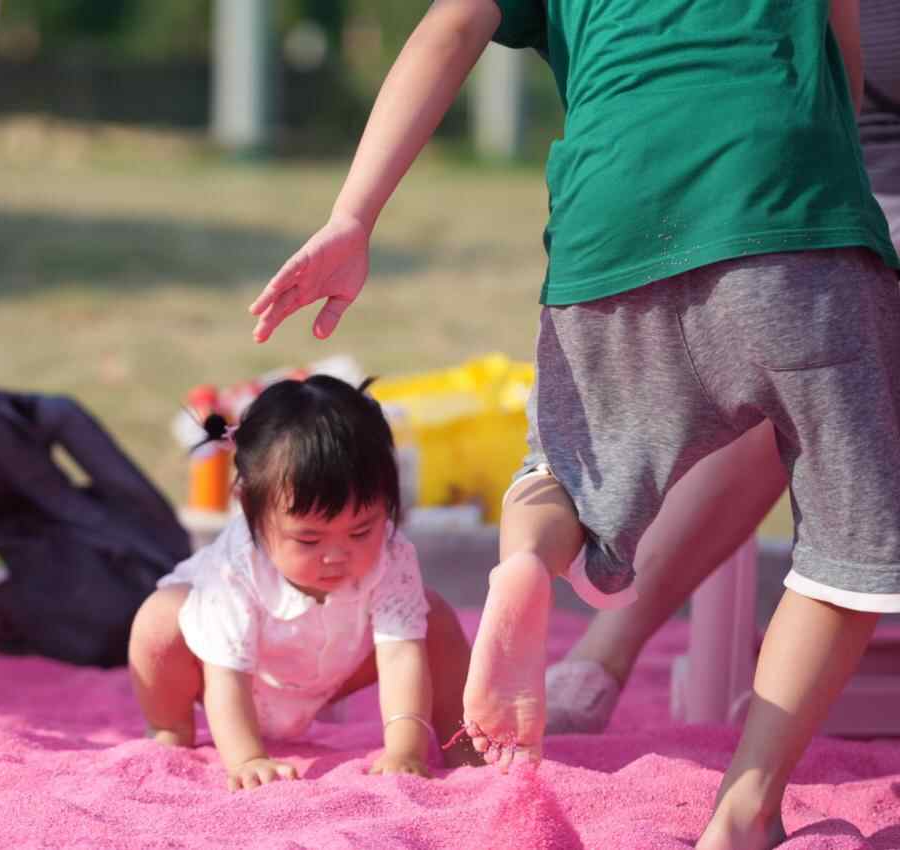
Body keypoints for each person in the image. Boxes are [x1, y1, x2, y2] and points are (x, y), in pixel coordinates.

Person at [249, 1, 900, 847]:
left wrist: (352, 217)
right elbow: (843, 45)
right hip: (794, 216)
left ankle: (527, 560)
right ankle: (745, 811)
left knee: (559, 472)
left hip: (609, 227)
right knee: (852, 554)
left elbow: (448, 29)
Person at [545, 0, 900, 737]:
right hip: (827, 202)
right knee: (799, 386)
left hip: (764, 210)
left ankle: (554, 594)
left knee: (803, 384)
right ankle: (618, 657)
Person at [128, 375, 479, 790]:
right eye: (309, 539)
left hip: (331, 671)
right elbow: (225, 674)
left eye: (361, 531)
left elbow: (401, 654)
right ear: (249, 507)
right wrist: (248, 759)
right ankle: (169, 727)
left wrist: (404, 752)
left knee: (433, 615)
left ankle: (460, 742)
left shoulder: (390, 553)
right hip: (226, 676)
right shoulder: (234, 569)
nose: (336, 555)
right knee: (160, 617)